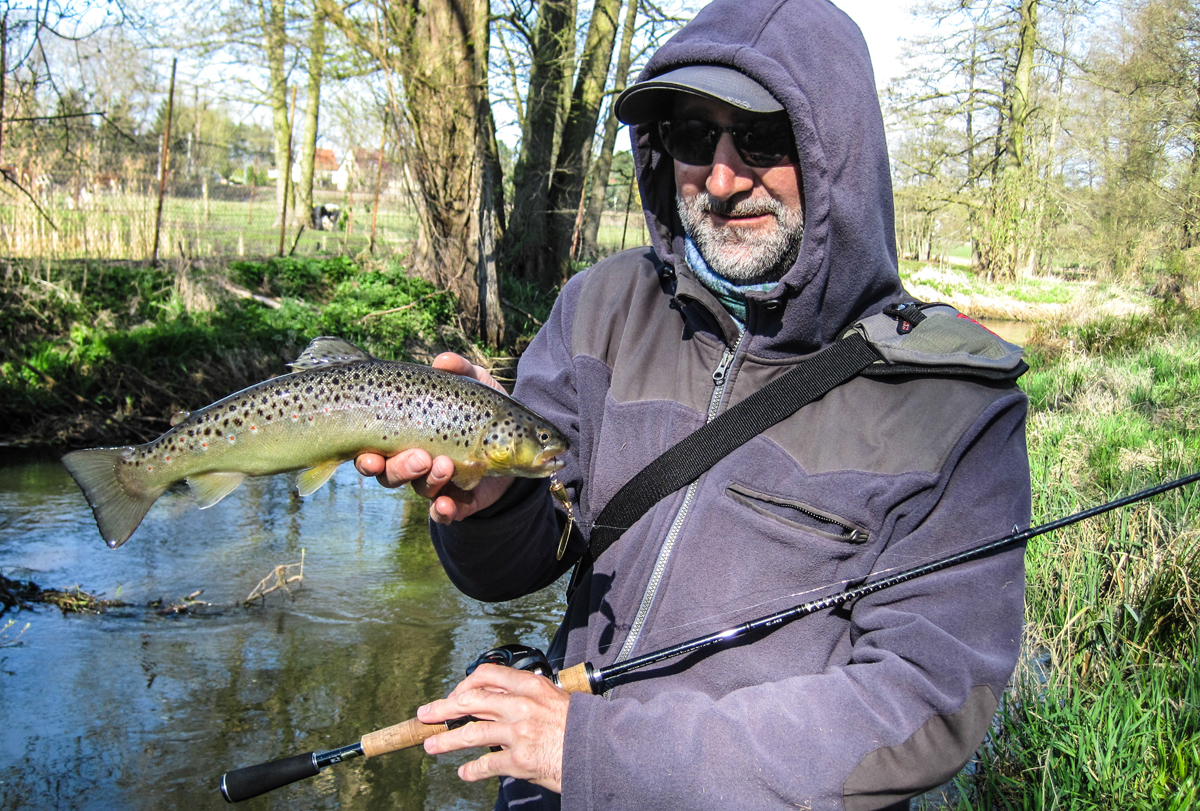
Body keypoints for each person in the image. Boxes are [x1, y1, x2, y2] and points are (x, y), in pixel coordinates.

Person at [355, 0, 1031, 808]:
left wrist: (596, 751)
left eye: (763, 138)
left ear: (837, 154)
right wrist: (492, 499)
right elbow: (511, 567)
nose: (719, 176)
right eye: (690, 136)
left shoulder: (953, 405)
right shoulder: (602, 306)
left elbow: (921, 704)